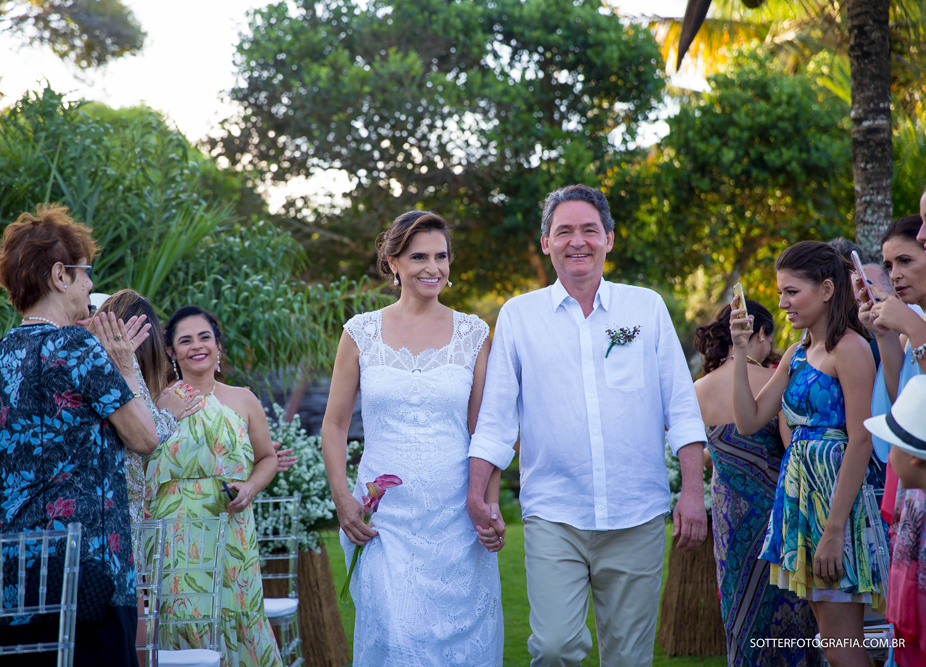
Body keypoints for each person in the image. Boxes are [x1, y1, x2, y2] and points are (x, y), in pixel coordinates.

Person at [468, 184, 707, 667]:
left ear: (609, 239)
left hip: (636, 513)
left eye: (589, 230)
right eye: (564, 232)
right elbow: (495, 419)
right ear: (546, 243)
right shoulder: (518, 316)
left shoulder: (645, 308)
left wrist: (692, 493)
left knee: (629, 658)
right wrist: (477, 494)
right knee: (553, 647)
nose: (577, 241)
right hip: (554, 514)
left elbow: (682, 409)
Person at [321, 211, 503, 667]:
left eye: (441, 256)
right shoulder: (360, 332)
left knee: (460, 650)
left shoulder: (474, 334)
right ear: (393, 263)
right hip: (384, 518)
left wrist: (489, 504)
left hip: (457, 517)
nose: (433, 267)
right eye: (419, 257)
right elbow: (335, 425)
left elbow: (486, 431)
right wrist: (342, 499)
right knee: (395, 638)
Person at [0, 204, 161, 667]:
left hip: (11, 566)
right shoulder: (77, 344)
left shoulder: (2, 353)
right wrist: (125, 365)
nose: (89, 286)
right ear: (60, 275)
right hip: (85, 572)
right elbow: (145, 439)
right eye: (86, 274)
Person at [731, 240, 885, 667]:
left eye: (792, 292)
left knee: (842, 647)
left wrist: (834, 531)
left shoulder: (849, 349)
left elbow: (861, 440)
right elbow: (748, 420)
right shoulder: (798, 353)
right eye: (780, 292)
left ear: (827, 289)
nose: (782, 303)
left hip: (835, 506)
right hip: (803, 501)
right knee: (834, 646)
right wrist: (740, 351)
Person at [145, 306, 282, 667]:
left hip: (231, 524)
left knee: (238, 611)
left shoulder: (243, 399)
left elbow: (267, 458)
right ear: (171, 352)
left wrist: (250, 487)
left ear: (218, 344)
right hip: (176, 531)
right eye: (185, 341)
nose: (197, 346)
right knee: (182, 614)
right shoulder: (159, 400)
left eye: (204, 337)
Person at [693, 300, 820, 666]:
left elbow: (706, 452)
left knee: (739, 606)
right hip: (774, 510)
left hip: (728, 517)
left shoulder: (698, 388)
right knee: (787, 608)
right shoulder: (772, 381)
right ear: (760, 334)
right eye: (770, 338)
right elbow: (791, 447)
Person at [858, 203, 926, 665]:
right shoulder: (907, 327)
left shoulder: (915, 324)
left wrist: (914, 328)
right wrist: (884, 335)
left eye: (906, 259)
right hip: (909, 484)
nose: (894, 274)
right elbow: (898, 403)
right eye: (888, 264)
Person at [89, 290, 203, 533]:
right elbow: (146, 436)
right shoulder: (124, 364)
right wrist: (170, 412)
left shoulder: (87, 359)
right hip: (111, 509)